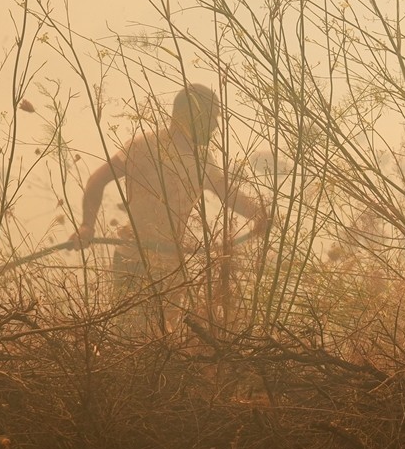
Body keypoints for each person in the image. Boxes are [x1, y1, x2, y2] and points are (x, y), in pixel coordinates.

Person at [71, 84, 268, 333]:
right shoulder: (144, 146)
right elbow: (97, 180)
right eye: (212, 117)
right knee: (130, 335)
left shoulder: (203, 161)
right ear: (191, 115)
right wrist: (87, 225)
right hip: (133, 261)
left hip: (172, 268)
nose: (216, 127)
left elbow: (229, 194)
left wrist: (260, 214)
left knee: (162, 337)